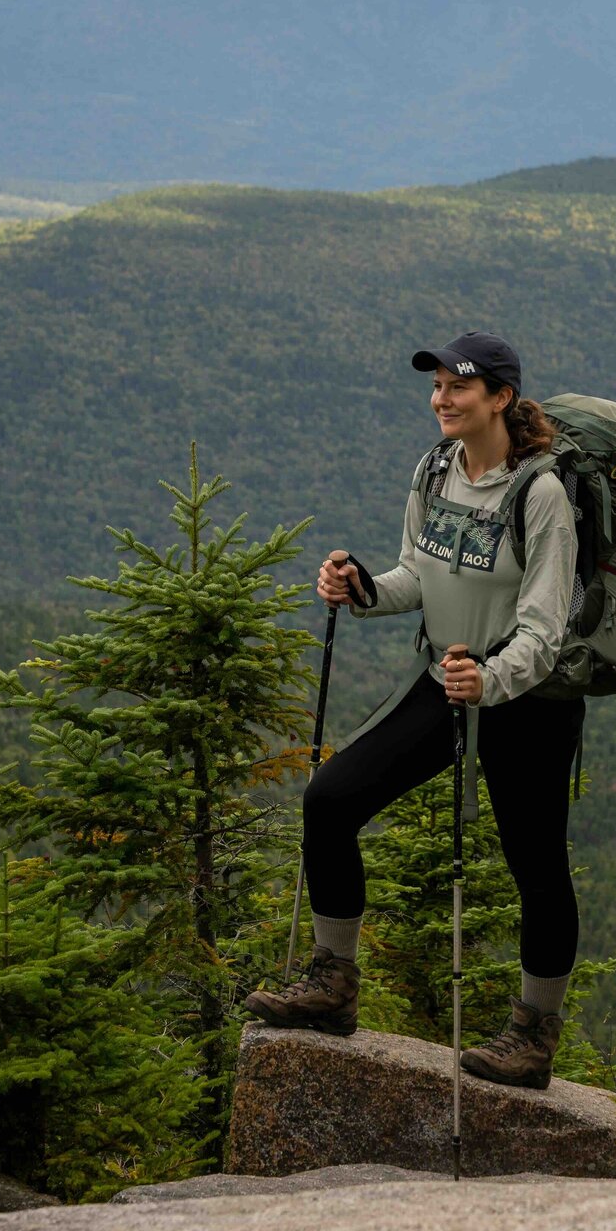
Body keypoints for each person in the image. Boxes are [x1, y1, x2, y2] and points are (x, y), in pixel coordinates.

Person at [244, 330, 582, 1090]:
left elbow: (545, 628)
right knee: (329, 801)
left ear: (499, 396)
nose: (440, 399)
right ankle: (332, 988)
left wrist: (490, 681)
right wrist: (360, 587)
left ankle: (533, 1036)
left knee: (537, 868)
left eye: (457, 387)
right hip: (447, 679)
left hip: (525, 700)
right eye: (435, 387)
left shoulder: (542, 494)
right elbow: (416, 578)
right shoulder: (434, 470)